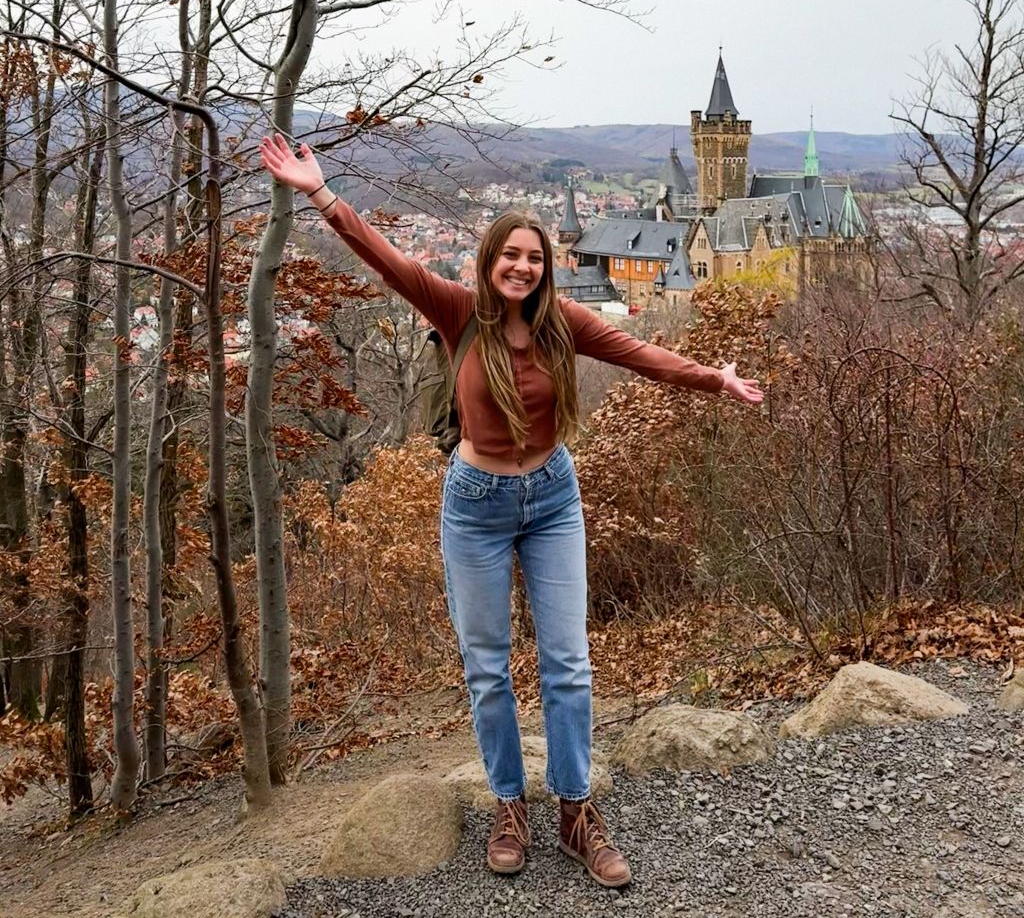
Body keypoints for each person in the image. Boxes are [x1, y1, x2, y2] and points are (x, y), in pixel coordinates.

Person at [259, 133, 764, 887]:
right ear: (490, 262)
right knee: (488, 669)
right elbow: (388, 262)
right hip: (476, 506)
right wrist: (321, 194)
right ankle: (508, 804)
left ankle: (574, 810)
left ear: (545, 267)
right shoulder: (458, 313)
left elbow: (640, 355)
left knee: (568, 664)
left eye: (534, 258)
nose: (522, 267)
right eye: (510, 256)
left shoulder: (566, 324)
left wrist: (713, 379)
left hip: (553, 498)